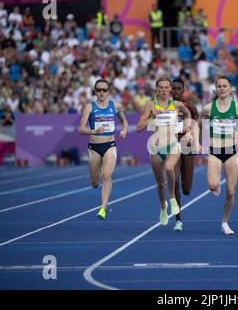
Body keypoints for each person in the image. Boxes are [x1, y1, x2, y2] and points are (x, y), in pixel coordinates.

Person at [136, 77, 192, 227]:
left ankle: (172, 198)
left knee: (169, 168)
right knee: (161, 183)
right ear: (157, 89)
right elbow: (139, 127)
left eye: (167, 87)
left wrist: (188, 130)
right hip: (156, 147)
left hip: (173, 144)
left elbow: (188, 114)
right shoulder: (150, 105)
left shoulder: (177, 105)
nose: (164, 90)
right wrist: (152, 117)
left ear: (170, 89)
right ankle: (163, 207)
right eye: (161, 87)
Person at [200, 76, 238, 235]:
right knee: (213, 185)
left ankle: (225, 222)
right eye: (219, 86)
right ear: (216, 89)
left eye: (224, 86)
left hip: (231, 152)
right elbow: (199, 125)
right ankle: (215, 183)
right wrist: (198, 141)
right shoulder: (208, 108)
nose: (222, 88)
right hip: (214, 150)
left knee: (231, 192)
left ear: (230, 88)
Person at [78, 79, 128, 220]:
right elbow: (81, 129)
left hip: (110, 144)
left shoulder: (116, 106)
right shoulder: (89, 107)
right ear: (95, 91)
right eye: (98, 90)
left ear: (108, 91)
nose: (101, 92)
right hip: (94, 147)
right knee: (95, 183)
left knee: (107, 176)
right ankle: (98, 171)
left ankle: (103, 208)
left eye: (104, 90)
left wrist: (124, 130)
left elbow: (124, 120)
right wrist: (94, 131)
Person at [171, 78, 199, 231]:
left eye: (178, 88)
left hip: (187, 147)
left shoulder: (190, 107)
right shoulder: (165, 106)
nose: (175, 91)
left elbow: (197, 125)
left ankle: (183, 192)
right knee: (174, 179)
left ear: (183, 91)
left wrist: (196, 142)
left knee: (186, 189)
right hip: (172, 146)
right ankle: (178, 219)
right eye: (173, 88)